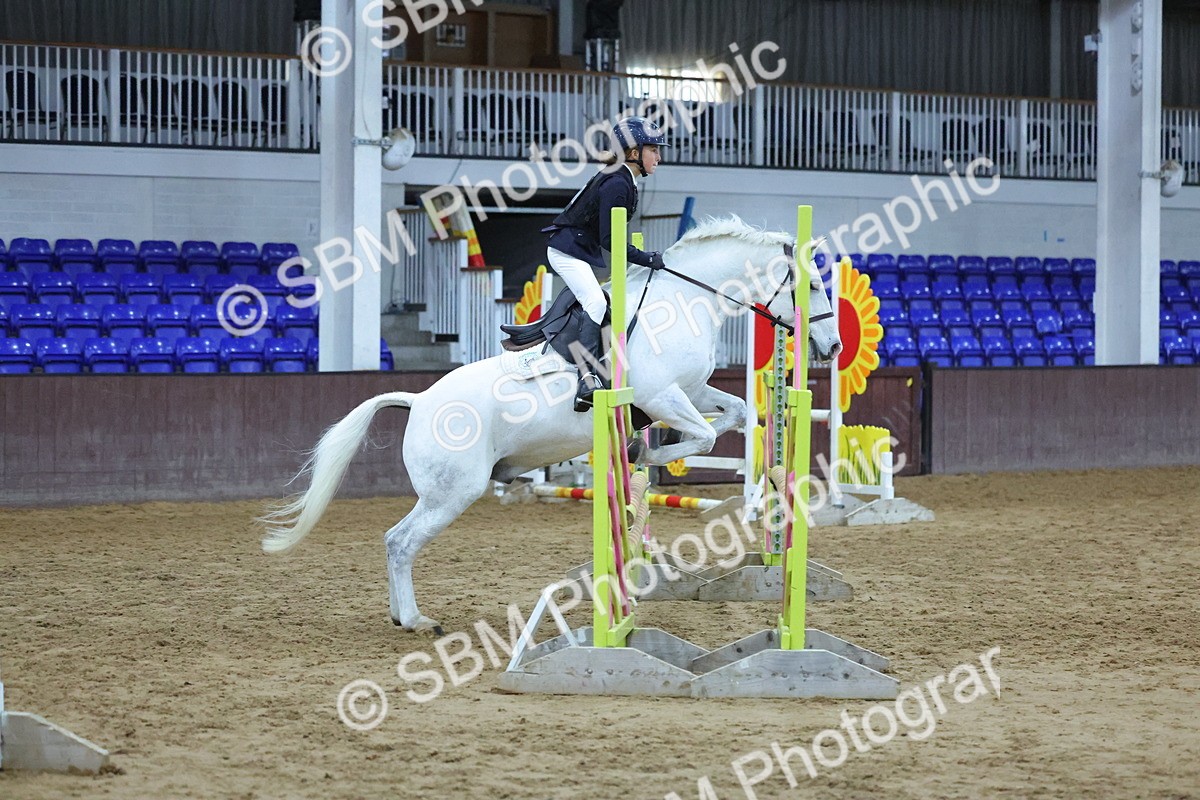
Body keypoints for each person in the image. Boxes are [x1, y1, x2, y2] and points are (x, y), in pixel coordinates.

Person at [541, 115, 668, 411]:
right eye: (654, 150)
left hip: (577, 249)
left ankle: (600, 368)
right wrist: (647, 258)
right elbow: (611, 240)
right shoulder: (617, 183)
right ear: (634, 153)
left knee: (607, 305)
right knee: (595, 304)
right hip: (566, 251)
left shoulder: (624, 179)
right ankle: (585, 379)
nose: (659, 157)